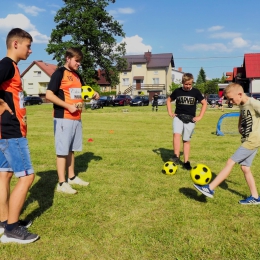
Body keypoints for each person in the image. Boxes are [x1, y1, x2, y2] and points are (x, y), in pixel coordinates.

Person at [0, 28, 39, 243]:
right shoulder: (6, 65)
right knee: (26, 176)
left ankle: (4, 221)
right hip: (10, 132)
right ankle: (12, 230)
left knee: (4, 175)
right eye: (28, 46)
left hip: (5, 132)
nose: (30, 50)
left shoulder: (12, 68)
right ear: (15, 44)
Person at [194, 83, 260, 204]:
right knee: (245, 168)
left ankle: (210, 188)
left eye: (231, 99)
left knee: (230, 162)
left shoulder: (254, 103)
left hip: (253, 140)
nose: (230, 101)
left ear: (240, 94)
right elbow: (242, 113)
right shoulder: (242, 103)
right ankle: (255, 197)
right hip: (248, 139)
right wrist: (239, 125)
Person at [46, 47, 99, 194]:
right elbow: (49, 95)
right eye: (76, 61)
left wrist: (93, 93)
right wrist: (68, 106)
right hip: (63, 117)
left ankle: (72, 177)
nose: (78, 64)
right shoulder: (59, 73)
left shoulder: (76, 75)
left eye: (79, 61)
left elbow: (83, 91)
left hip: (77, 117)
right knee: (62, 151)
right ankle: (62, 183)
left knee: (71, 149)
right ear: (68, 58)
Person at [166, 73, 207, 170]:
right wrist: (170, 112)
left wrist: (200, 116)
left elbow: (204, 103)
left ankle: (186, 162)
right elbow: (168, 100)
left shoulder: (196, 92)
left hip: (190, 119)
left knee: (186, 140)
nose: (188, 86)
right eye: (186, 84)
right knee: (176, 134)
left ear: (192, 83)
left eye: (190, 84)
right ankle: (176, 156)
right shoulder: (177, 91)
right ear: (182, 82)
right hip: (178, 117)